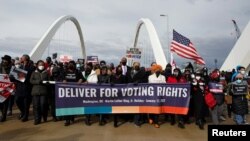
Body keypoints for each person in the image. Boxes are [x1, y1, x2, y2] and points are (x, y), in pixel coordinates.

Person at [15, 54, 35, 122]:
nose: (20, 58)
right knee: (17, 100)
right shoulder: (20, 66)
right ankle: (23, 112)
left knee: (26, 103)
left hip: (27, 87)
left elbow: (28, 75)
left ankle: (25, 116)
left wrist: (19, 74)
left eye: (22, 58)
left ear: (25, 59)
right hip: (19, 87)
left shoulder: (31, 67)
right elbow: (15, 75)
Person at [62, 61, 83, 126]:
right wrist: (63, 80)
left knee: (73, 105)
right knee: (66, 105)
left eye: (72, 64)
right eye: (69, 64)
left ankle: (72, 117)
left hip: (74, 92)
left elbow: (82, 78)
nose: (70, 65)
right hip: (66, 92)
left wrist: (80, 80)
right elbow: (60, 78)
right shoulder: (64, 71)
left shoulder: (77, 71)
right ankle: (67, 120)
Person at [30, 60, 49, 125]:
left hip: (44, 91)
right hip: (35, 91)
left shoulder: (46, 73)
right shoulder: (34, 72)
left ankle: (44, 116)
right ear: (37, 65)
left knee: (43, 105)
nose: (41, 66)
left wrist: (45, 82)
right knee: (36, 106)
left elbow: (49, 81)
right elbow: (31, 81)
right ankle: (37, 119)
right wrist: (38, 81)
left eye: (42, 65)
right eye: (40, 65)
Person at [0, 55, 12, 122]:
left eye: (5, 60)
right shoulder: (0, 66)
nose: (4, 61)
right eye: (3, 60)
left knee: (5, 102)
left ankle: (4, 116)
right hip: (0, 87)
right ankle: (2, 113)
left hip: (7, 88)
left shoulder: (12, 68)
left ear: (8, 61)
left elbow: (17, 77)